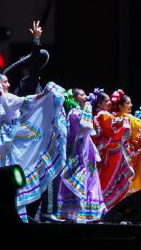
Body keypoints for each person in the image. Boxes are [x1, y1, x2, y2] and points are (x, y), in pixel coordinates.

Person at [0, 70, 67, 222]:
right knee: (10, 173)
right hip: (5, 142)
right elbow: (28, 101)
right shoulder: (4, 97)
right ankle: (11, 213)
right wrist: (46, 94)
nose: (8, 84)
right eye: (5, 81)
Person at [58, 88, 106, 222]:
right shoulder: (74, 113)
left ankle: (91, 213)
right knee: (80, 178)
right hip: (79, 152)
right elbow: (84, 127)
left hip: (87, 150)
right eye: (82, 94)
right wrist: (88, 109)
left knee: (91, 178)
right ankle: (74, 213)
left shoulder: (82, 111)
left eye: (86, 94)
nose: (86, 96)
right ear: (73, 98)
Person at [89, 88, 134, 210]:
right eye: (106, 101)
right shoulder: (103, 115)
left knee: (107, 176)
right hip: (110, 151)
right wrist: (121, 121)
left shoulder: (105, 114)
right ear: (99, 104)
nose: (109, 103)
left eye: (109, 100)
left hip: (111, 150)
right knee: (106, 177)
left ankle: (106, 203)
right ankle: (104, 204)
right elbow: (110, 130)